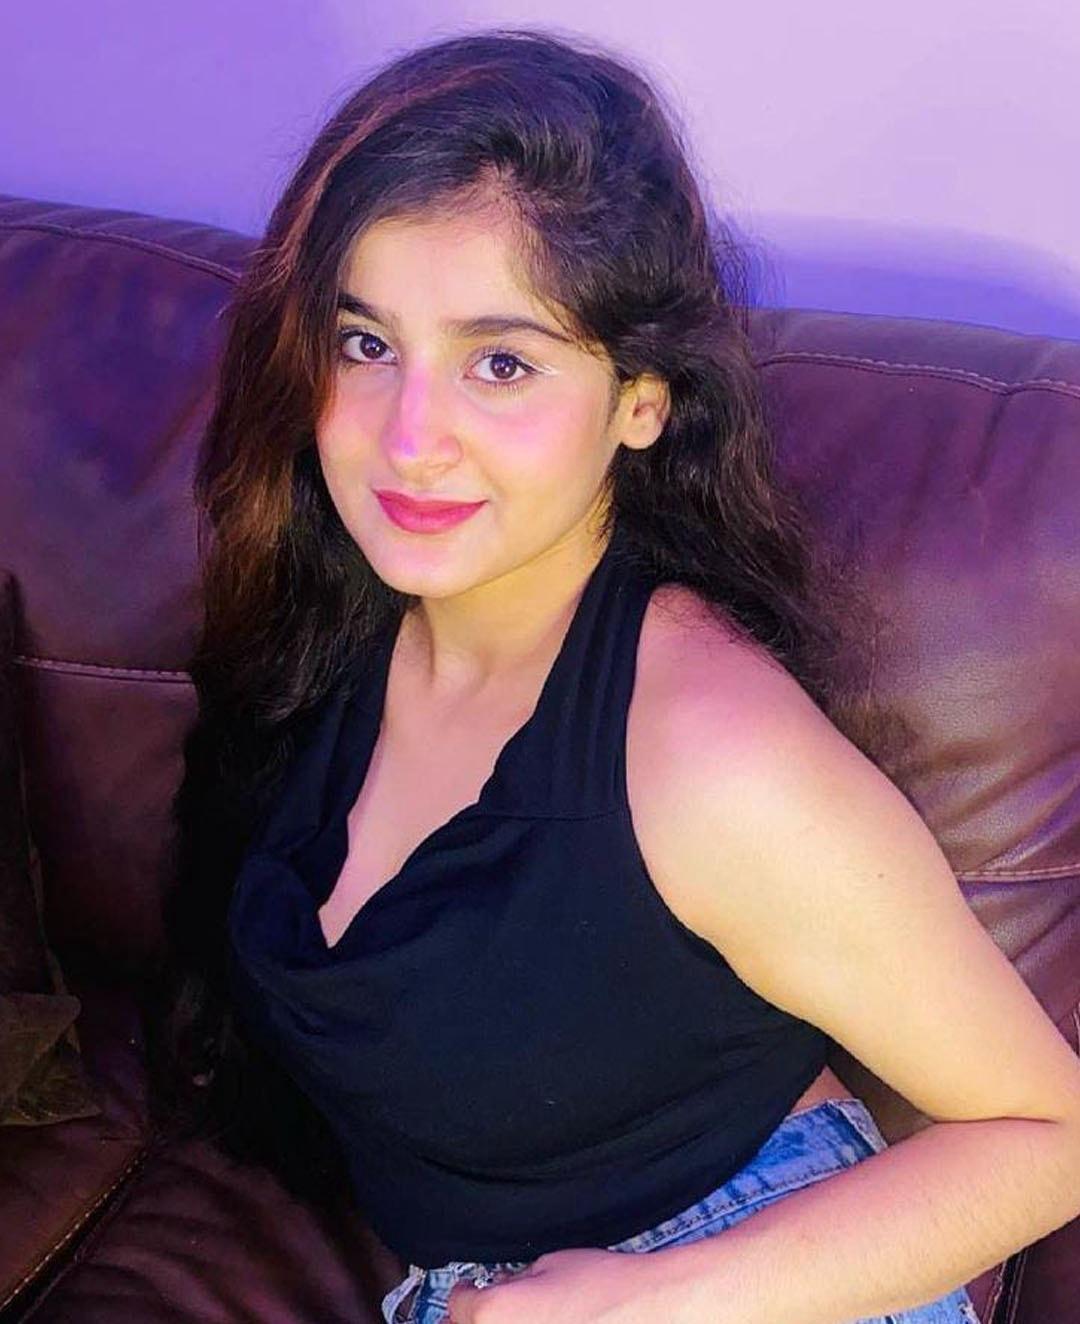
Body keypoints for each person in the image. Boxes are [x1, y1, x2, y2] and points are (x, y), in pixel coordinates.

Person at [145, 25, 1080, 1324]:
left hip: (751, 1282)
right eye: (367, 344)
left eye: (501, 363)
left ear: (639, 400)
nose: (410, 440)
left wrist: (650, 1301)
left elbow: (1050, 1133)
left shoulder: (710, 747)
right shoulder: (349, 611)